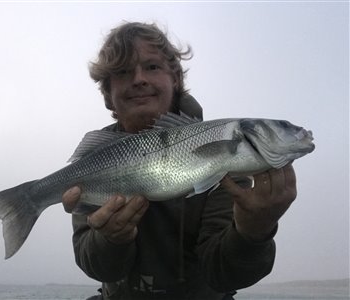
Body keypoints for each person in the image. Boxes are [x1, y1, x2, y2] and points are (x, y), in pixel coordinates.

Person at [62, 22, 297, 300]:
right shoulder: (95, 161)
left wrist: (253, 231)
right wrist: (110, 239)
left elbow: (225, 274)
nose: (139, 79)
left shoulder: (225, 158)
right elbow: (96, 266)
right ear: (108, 93)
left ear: (174, 78)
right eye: (123, 72)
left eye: (152, 67)